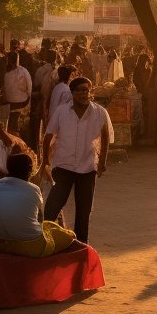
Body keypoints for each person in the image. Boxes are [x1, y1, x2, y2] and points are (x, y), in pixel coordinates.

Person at [42, 76, 113, 244]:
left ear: (90, 92)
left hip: (87, 167)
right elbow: (48, 135)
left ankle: (81, 247)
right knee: (52, 207)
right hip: (63, 166)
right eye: (79, 90)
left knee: (84, 212)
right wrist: (45, 160)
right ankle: (45, 241)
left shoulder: (99, 112)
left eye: (86, 90)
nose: (83, 94)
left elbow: (105, 135)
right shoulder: (62, 111)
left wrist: (102, 160)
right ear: (72, 93)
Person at [0, 152, 77, 257]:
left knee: (49, 225)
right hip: (31, 247)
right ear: (30, 170)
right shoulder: (34, 189)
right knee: (69, 236)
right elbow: (40, 219)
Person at [2, 50, 33, 134]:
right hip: (22, 103)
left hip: (9, 103)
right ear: (17, 59)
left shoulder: (5, 72)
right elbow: (29, 89)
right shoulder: (24, 71)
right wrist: (28, 97)